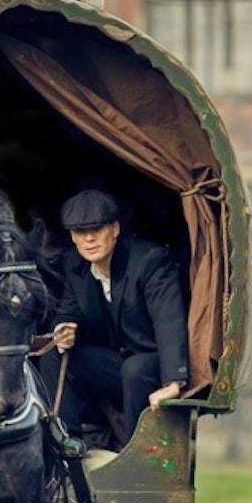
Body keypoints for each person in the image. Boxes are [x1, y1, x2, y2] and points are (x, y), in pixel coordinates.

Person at [38, 189, 189, 449]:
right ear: (72, 237)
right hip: (114, 363)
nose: (89, 239)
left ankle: (132, 454)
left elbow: (169, 321)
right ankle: (66, 444)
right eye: (80, 232)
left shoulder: (150, 261)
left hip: (152, 364)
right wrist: (64, 329)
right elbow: (68, 310)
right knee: (52, 351)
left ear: (115, 229)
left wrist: (173, 381)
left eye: (97, 229)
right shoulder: (75, 264)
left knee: (135, 369)